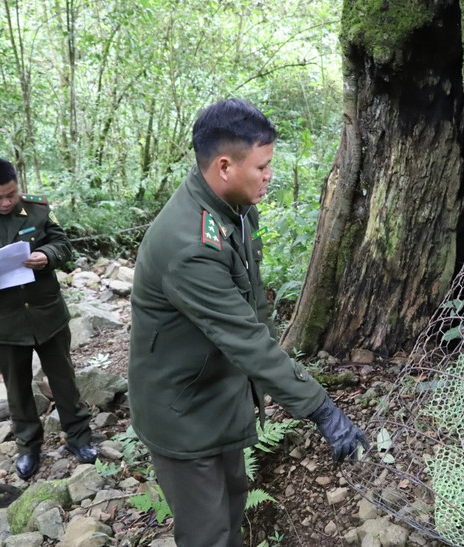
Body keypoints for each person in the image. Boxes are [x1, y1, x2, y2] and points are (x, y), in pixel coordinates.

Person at [129, 98, 368, 546]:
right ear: (224, 166)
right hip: (184, 412)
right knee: (208, 533)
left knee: (234, 505)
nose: (269, 175)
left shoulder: (236, 212)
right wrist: (322, 410)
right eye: (261, 166)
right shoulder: (190, 245)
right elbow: (246, 339)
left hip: (219, 396)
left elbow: (253, 306)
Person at [0, 157, 97, 480]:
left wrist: (47, 255)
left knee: (63, 378)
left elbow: (63, 244)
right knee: (17, 387)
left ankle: (79, 437)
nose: (6, 202)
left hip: (47, 312)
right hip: (3, 321)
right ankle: (28, 447)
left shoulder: (37, 209)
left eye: (11, 194)